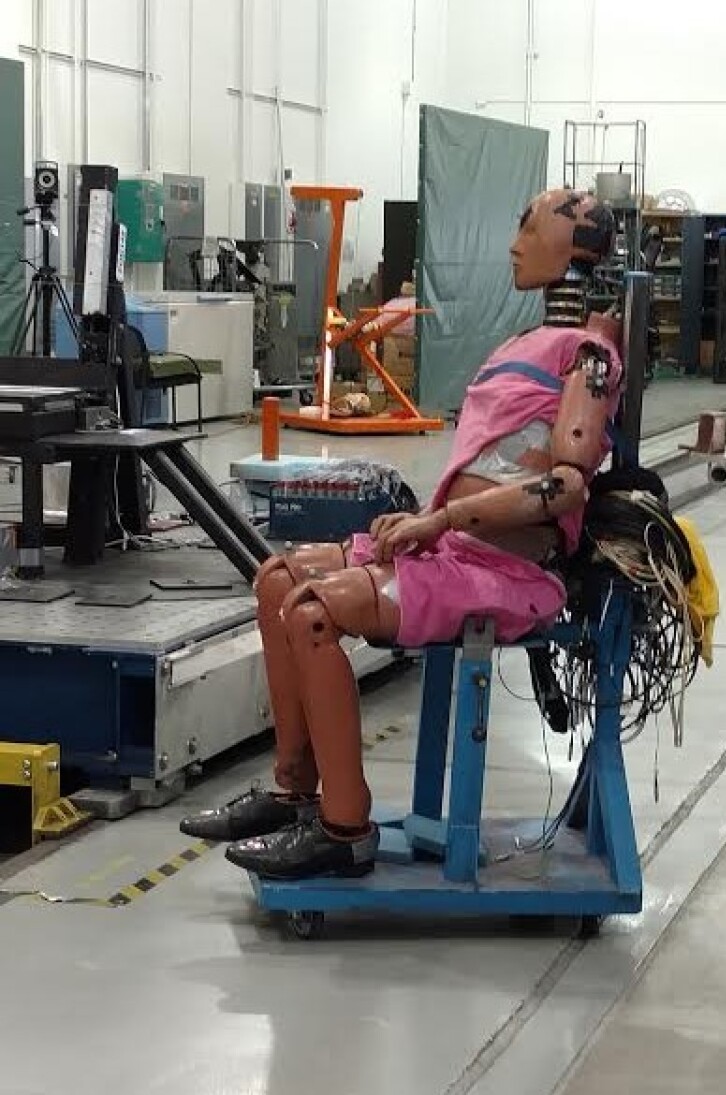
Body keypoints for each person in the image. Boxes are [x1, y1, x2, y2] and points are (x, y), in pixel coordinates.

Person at [180, 188, 623, 880]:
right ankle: (294, 793)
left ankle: (344, 827)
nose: (514, 245)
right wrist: (430, 524)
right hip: (454, 551)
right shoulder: (521, 345)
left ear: (574, 247)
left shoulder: (590, 358)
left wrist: (439, 518)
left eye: (528, 228)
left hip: (507, 574)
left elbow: (565, 485)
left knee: (313, 612)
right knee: (276, 579)